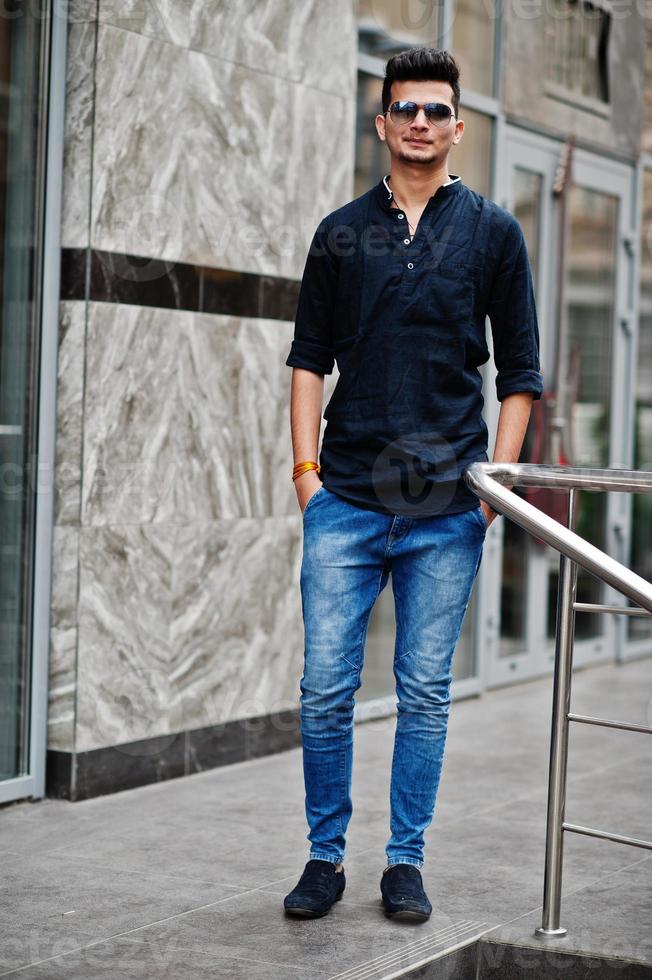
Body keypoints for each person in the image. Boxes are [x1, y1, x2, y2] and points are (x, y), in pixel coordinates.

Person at [283, 47, 543, 922]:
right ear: (385, 121)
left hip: (445, 510)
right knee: (326, 687)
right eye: (406, 109)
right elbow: (308, 362)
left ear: (458, 125)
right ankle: (324, 858)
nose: (421, 123)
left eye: (437, 110)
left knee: (424, 692)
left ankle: (404, 861)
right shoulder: (339, 232)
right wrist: (306, 477)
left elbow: (521, 374)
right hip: (346, 500)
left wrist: (491, 489)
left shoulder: (494, 234)